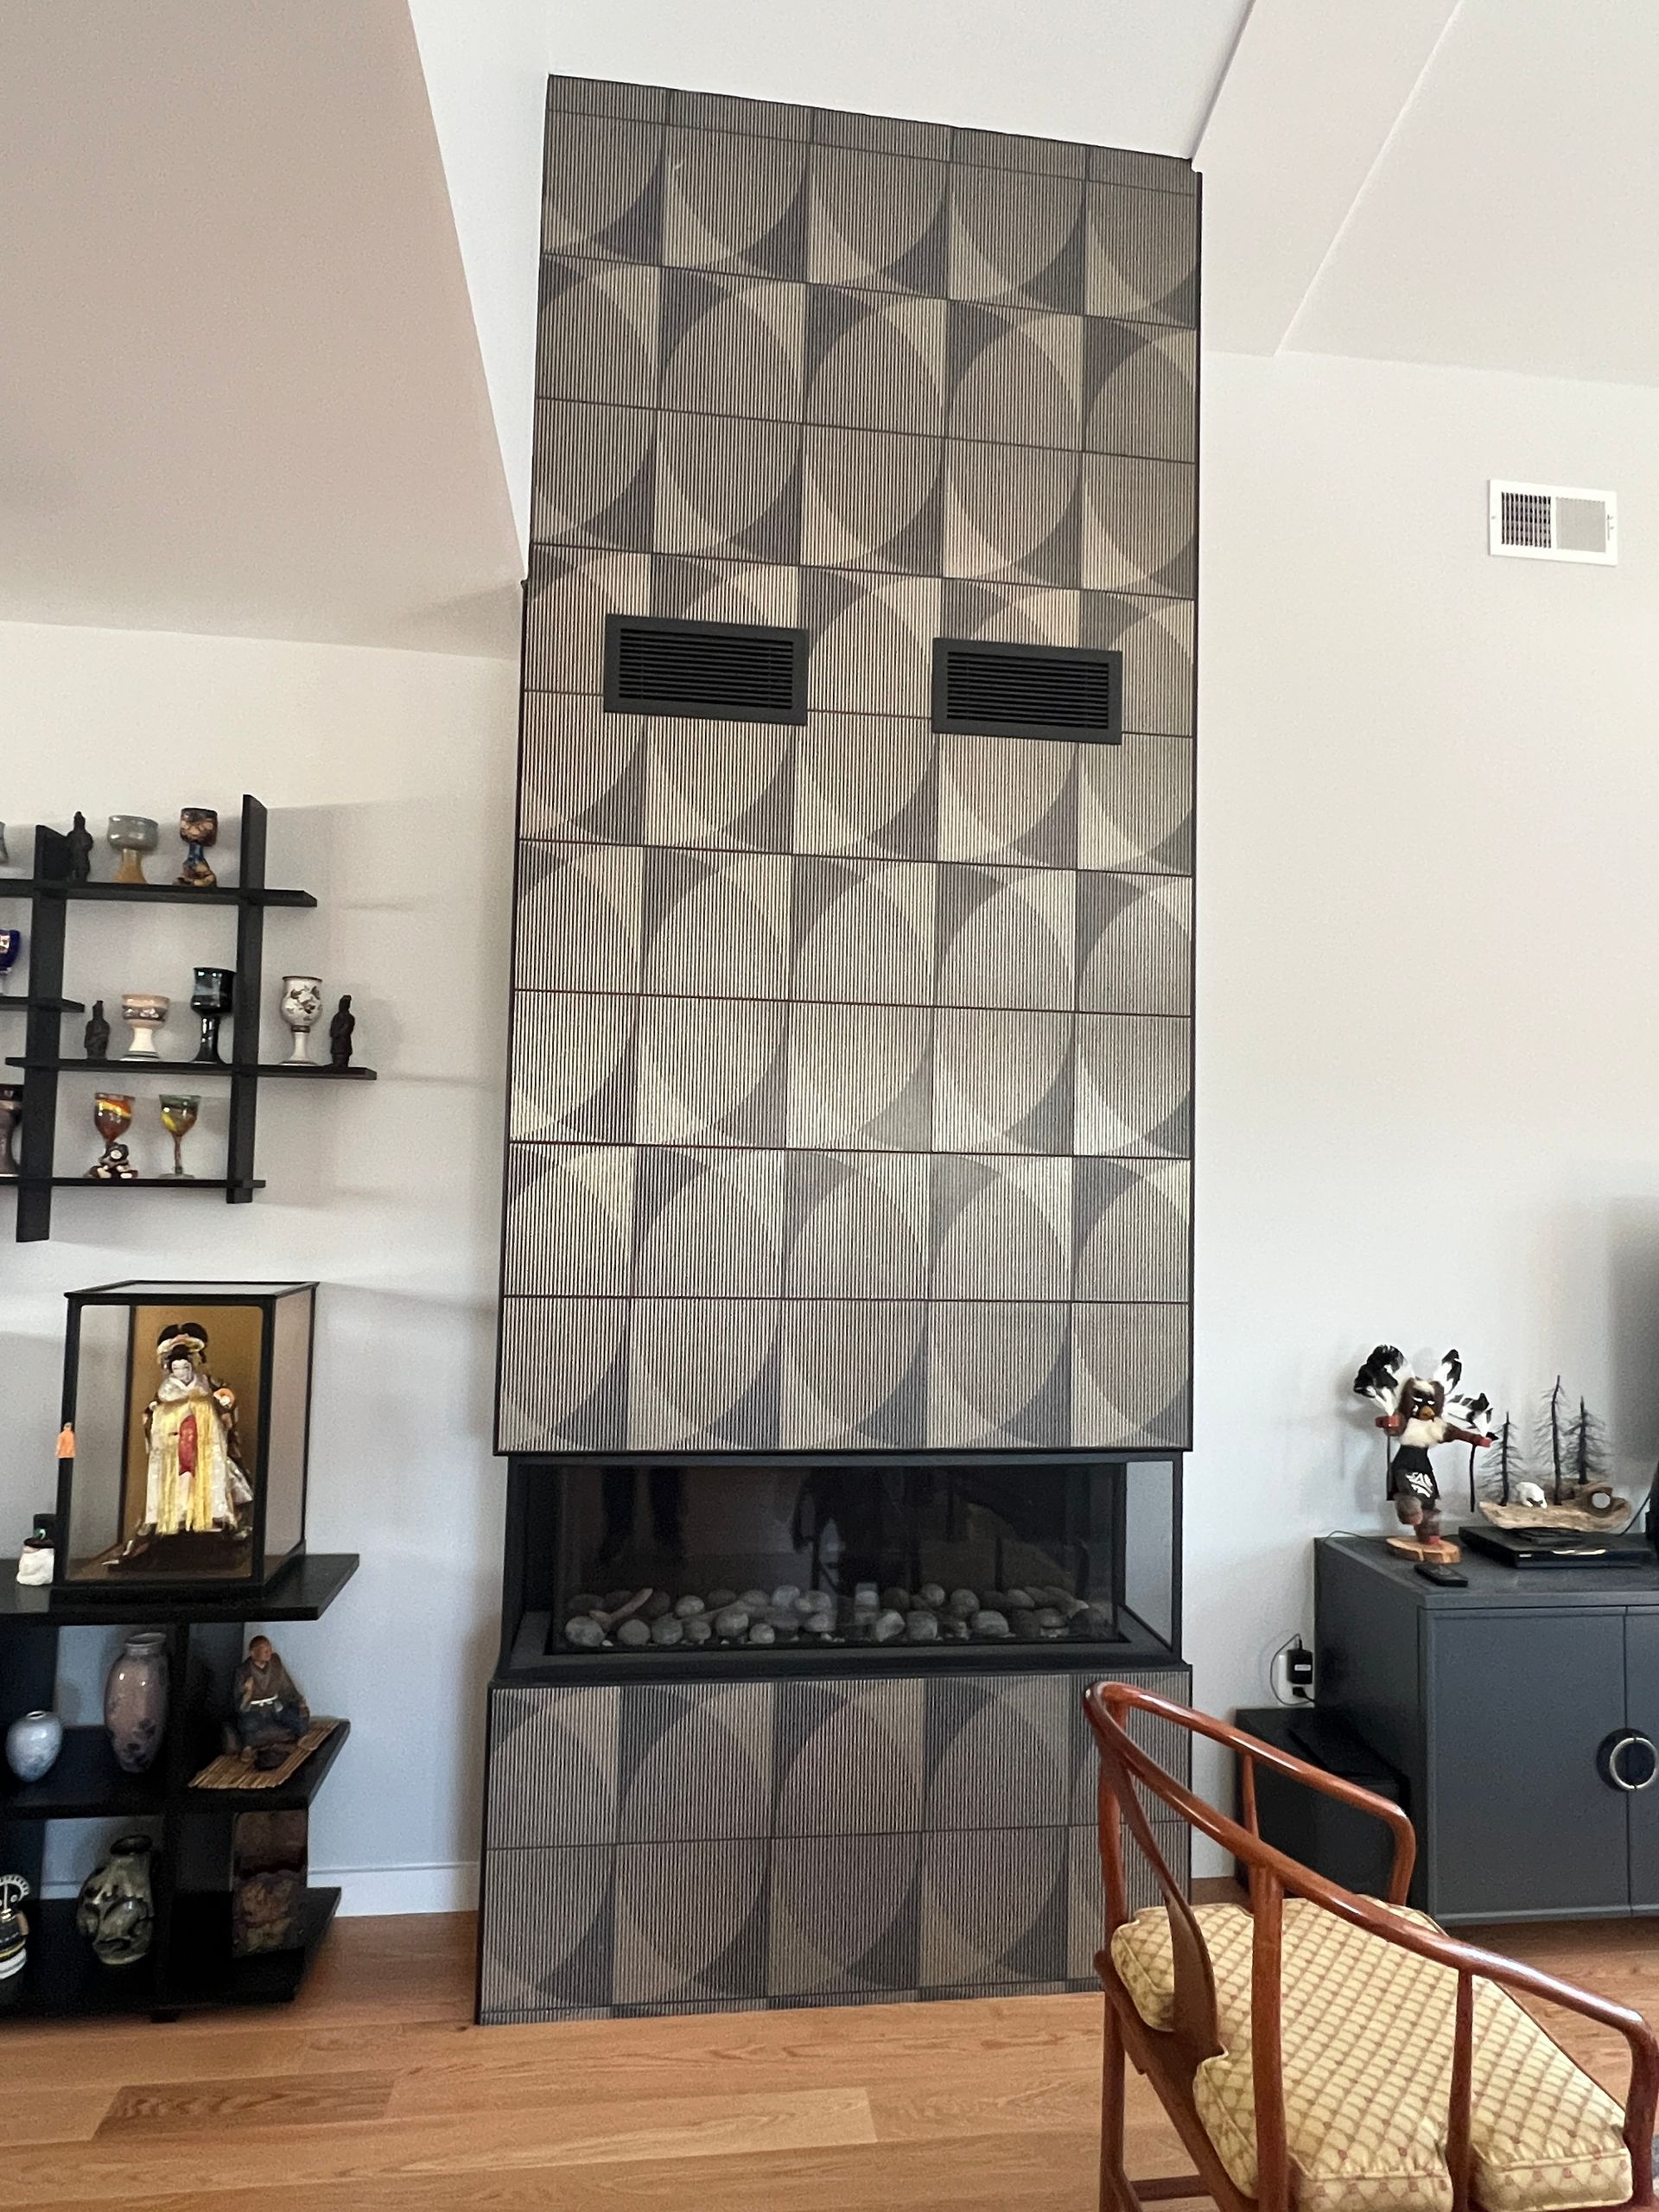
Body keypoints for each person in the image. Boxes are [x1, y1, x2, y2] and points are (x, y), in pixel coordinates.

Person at [140, 1322, 253, 1537]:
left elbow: (226, 1402)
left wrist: (222, 1406)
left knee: (208, 1475)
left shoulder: (208, 1383)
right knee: (177, 1478)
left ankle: (212, 1516)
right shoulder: (165, 1390)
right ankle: (175, 1519)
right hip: (173, 1443)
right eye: (176, 1367)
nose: (181, 1372)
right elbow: (151, 1413)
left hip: (206, 1441)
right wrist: (155, 1416)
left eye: (186, 1365)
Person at [231, 1637, 310, 1768]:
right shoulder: (243, 1671)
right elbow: (238, 1703)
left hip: (275, 1706)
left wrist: (298, 1700)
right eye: (265, 1650)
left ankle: (303, 1737)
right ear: (253, 1653)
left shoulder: (276, 1662)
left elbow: (287, 1685)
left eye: (270, 1649)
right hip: (254, 1709)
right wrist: (247, 1692)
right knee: (248, 1724)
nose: (269, 1652)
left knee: (297, 1714)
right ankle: (247, 1749)